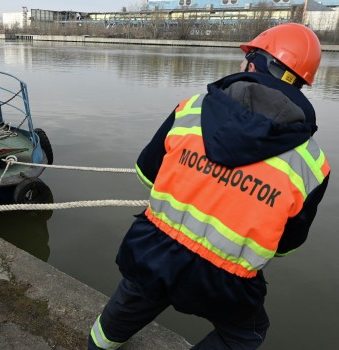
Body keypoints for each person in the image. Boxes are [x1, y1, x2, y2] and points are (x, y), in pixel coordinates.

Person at [88, 23, 331, 350]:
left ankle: (98, 346)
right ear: (300, 82)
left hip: (155, 251)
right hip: (225, 283)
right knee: (247, 333)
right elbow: (286, 244)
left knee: (130, 302)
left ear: (254, 63)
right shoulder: (312, 164)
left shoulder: (190, 109)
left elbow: (146, 173)